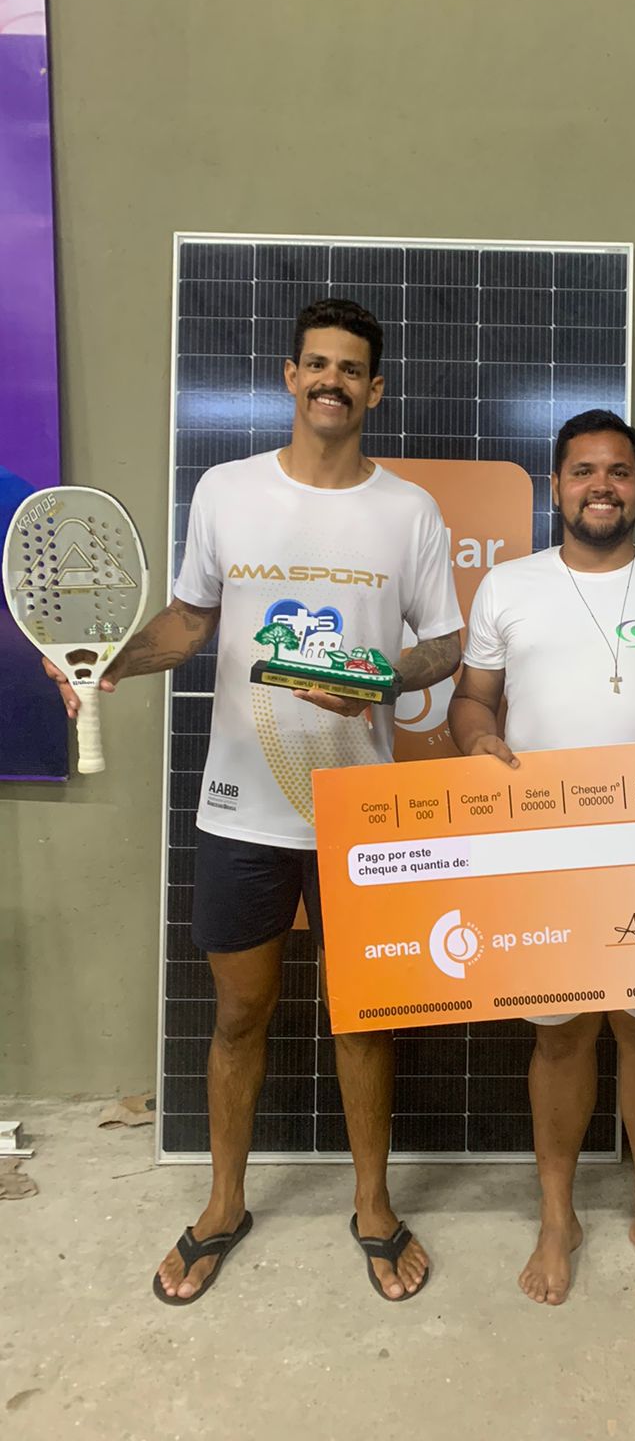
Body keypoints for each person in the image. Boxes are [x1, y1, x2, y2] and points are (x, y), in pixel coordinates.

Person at [45, 299, 463, 1305]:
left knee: (363, 1020)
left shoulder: (408, 511)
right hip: (241, 810)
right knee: (239, 1012)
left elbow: (449, 646)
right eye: (315, 363)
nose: (332, 380)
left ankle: (372, 1203)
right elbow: (189, 622)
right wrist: (111, 665)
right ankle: (223, 1202)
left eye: (350, 368)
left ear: (375, 389)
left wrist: (380, 679)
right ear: (290, 377)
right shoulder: (226, 491)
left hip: (357, 812)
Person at [448, 409, 635, 1307]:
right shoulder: (507, 586)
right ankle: (557, 1215)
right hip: (544, 849)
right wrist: (477, 744)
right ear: (556, 485)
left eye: (619, 470)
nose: (602, 486)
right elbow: (473, 700)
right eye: (583, 471)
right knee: (561, 1035)